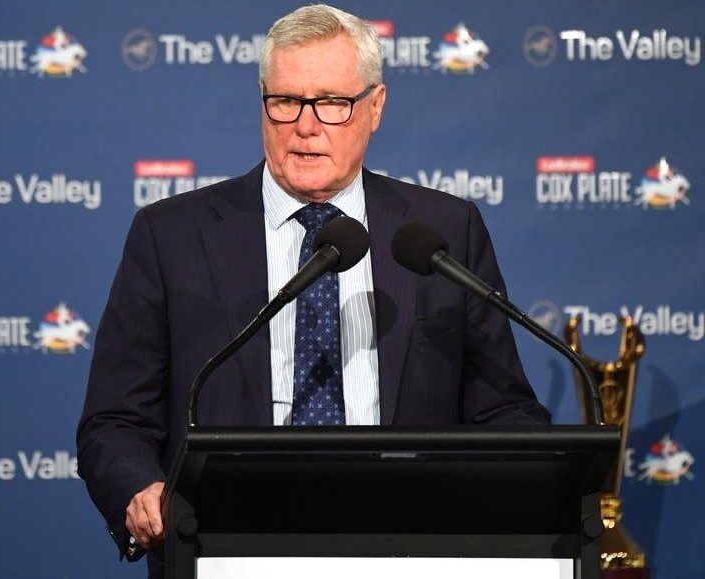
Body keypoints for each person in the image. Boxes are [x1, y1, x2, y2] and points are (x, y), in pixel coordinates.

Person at [77, 4, 550, 576]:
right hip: (226, 548)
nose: (306, 126)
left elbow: (501, 407)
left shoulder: (442, 232)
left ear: (375, 107)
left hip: (408, 547)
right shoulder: (171, 235)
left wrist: (536, 478)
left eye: (332, 102)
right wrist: (139, 487)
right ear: (263, 102)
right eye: (286, 101)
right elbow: (114, 420)